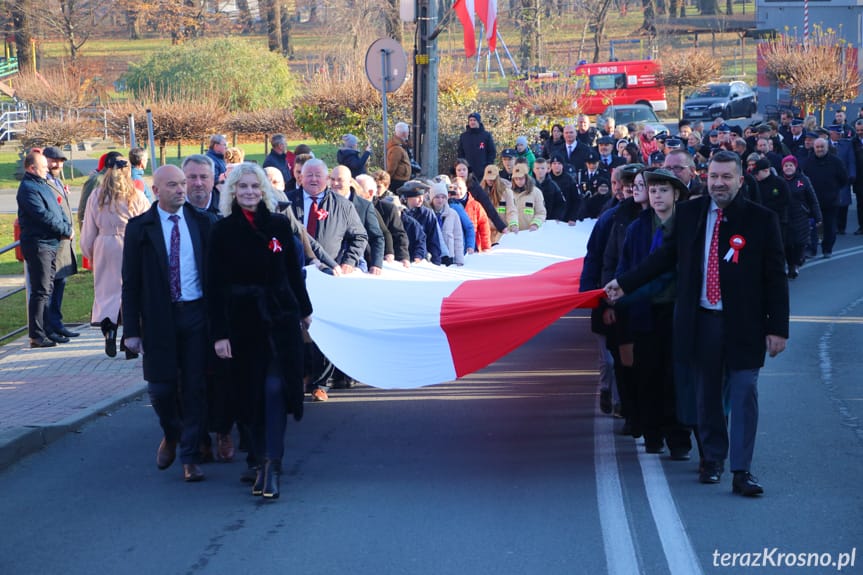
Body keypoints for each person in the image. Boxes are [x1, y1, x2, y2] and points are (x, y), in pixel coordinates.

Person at [605, 151, 789, 497]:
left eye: (726, 177)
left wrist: (778, 328)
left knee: (743, 391)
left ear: (739, 180)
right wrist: (625, 282)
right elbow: (663, 258)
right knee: (707, 397)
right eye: (714, 176)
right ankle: (713, 459)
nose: (719, 183)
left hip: (745, 324)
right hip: (701, 320)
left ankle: (742, 470)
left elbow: (775, 277)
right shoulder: (690, 213)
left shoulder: (761, 220)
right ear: (705, 177)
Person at [207, 163, 312, 500]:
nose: (249, 192)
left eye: (255, 186)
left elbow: (293, 272)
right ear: (233, 191)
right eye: (243, 187)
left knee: (274, 390)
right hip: (242, 324)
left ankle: (271, 464)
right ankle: (256, 457)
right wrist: (219, 334)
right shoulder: (221, 231)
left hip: (280, 320)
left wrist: (305, 311)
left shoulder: (279, 225)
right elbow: (214, 286)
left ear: (263, 190)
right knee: (248, 394)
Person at [122, 164, 216, 483]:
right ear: (156, 189)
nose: (181, 189)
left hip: (196, 314)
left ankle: (190, 457)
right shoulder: (140, 228)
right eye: (173, 185)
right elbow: (130, 282)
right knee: (161, 389)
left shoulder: (203, 222)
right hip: (159, 317)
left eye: (183, 184)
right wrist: (132, 331)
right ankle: (172, 434)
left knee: (194, 387)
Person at [616, 169, 692, 458]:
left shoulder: (686, 227)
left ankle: (679, 437)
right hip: (644, 312)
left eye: (664, 190)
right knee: (647, 374)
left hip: (677, 311)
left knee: (676, 376)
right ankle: (652, 434)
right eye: (654, 190)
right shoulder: (637, 228)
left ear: (676, 195)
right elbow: (625, 267)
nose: (658, 196)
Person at [80, 155, 150, 357]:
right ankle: (129, 338)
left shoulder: (97, 196)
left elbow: (89, 226)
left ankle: (109, 331)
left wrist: (89, 250)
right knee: (130, 290)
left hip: (104, 244)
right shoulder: (136, 195)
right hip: (129, 244)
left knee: (106, 293)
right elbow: (145, 221)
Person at [17, 150, 74, 348]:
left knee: (47, 289)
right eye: (43, 167)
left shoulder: (42, 184)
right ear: (32, 168)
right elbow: (42, 216)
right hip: (38, 244)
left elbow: (57, 210)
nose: (47, 169)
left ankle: (47, 330)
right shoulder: (28, 188)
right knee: (41, 291)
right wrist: (64, 230)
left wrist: (67, 227)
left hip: (50, 243)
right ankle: (37, 335)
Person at [42, 146, 80, 343]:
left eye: (60, 161)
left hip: (64, 243)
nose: (56, 164)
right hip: (54, 242)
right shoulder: (44, 182)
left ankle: (57, 323)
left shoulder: (57, 180)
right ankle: (50, 326)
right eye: (53, 160)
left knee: (60, 284)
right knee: (50, 288)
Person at [803, 138, 848, 258]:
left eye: (822, 147)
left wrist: (834, 190)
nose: (819, 149)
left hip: (831, 200)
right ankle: (811, 249)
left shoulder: (836, 161)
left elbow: (843, 179)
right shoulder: (809, 162)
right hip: (813, 201)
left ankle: (827, 249)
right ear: (814, 148)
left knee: (829, 227)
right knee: (812, 226)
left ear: (827, 148)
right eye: (817, 147)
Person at [780, 155, 821, 279]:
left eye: (790, 165)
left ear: (795, 166)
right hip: (785, 217)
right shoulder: (779, 180)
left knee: (799, 242)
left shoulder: (803, 180)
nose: (788, 168)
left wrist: (818, 216)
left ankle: (797, 261)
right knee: (787, 244)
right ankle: (792, 266)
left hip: (800, 216)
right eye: (786, 165)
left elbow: (813, 199)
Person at [429, 182, 465, 266]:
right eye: (437, 197)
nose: (440, 200)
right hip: (432, 254)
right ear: (432, 198)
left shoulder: (453, 214)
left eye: (443, 197)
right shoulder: (428, 213)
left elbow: (458, 237)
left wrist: (459, 259)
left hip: (449, 256)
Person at [457, 112, 496, 177]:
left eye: (474, 120)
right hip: (468, 171)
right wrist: (463, 166)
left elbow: (492, 152)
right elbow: (460, 153)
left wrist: (488, 166)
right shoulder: (463, 136)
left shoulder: (486, 135)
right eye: (470, 120)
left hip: (482, 171)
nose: (472, 122)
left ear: (478, 121)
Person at [510, 164, 546, 231]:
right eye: (516, 179)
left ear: (526, 177)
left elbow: (541, 212)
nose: (518, 181)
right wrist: (512, 224)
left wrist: (535, 224)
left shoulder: (536, 192)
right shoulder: (508, 193)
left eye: (521, 178)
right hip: (512, 234)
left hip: (529, 233)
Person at [387, 122, 413, 192]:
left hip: (400, 179)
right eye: (408, 132)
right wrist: (387, 180)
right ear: (404, 133)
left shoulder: (400, 145)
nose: (409, 134)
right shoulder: (396, 148)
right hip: (398, 181)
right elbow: (392, 167)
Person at [853, 119, 863, 235]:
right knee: (860, 204)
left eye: (862, 130)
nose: (860, 132)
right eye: (858, 130)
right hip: (859, 179)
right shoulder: (853, 142)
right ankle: (861, 226)